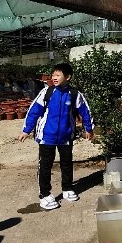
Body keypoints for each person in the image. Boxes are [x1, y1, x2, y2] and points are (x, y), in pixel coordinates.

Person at [18, 62, 94, 210]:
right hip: (47, 137)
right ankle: (45, 195)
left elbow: (85, 111)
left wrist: (89, 129)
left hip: (66, 136)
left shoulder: (74, 94)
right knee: (45, 166)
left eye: (58, 75)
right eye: (53, 75)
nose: (54, 77)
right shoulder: (47, 92)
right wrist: (26, 130)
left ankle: (67, 188)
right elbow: (34, 111)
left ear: (68, 77)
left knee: (67, 163)